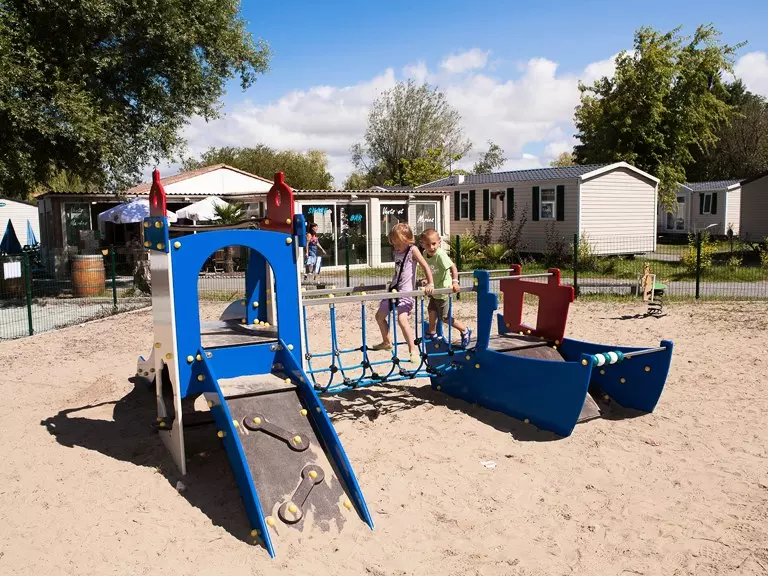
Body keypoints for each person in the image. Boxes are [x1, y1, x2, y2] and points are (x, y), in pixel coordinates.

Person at [371, 223, 434, 364]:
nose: (396, 247)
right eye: (394, 244)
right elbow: (399, 270)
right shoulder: (397, 252)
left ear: (408, 240)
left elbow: (425, 266)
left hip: (406, 292)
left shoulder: (413, 250)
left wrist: (430, 283)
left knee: (402, 319)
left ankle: (413, 349)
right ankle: (387, 341)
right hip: (394, 290)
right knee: (379, 316)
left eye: (398, 244)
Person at [420, 228, 472, 348]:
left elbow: (453, 267)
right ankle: (432, 332)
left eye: (434, 244)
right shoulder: (424, 254)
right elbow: (431, 270)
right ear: (422, 244)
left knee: (445, 318)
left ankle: (465, 330)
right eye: (428, 244)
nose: (431, 247)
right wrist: (427, 280)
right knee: (431, 310)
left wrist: (455, 282)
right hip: (435, 291)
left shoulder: (440, 255)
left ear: (439, 242)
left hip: (443, 291)